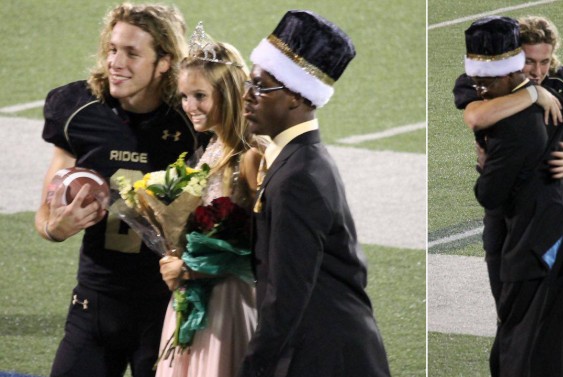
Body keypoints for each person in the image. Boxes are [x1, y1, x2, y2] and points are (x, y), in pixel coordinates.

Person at [34, 4, 208, 377]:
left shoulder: (191, 120)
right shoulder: (79, 110)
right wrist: (55, 228)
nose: (116, 61)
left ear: (164, 61)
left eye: (132, 53)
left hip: (166, 305)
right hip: (96, 301)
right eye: (113, 49)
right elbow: (47, 210)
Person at [238, 10, 391, 377]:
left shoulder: (298, 178)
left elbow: (285, 296)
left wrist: (253, 369)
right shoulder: (296, 160)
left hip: (327, 356)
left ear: (295, 97)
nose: (247, 95)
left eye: (260, 86)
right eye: (249, 81)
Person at [465, 16, 563, 377]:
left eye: (545, 62)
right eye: (529, 62)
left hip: (539, 229)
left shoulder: (556, 94)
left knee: (529, 337)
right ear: (512, 60)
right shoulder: (487, 84)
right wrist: (531, 92)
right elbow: (475, 116)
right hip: (521, 225)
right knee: (525, 326)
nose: (538, 70)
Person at [154, 23, 262, 377]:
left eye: (200, 96)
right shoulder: (211, 149)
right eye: (185, 96)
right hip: (195, 296)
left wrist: (190, 268)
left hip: (229, 304)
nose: (189, 106)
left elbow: (258, 245)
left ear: (228, 94)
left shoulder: (250, 156)